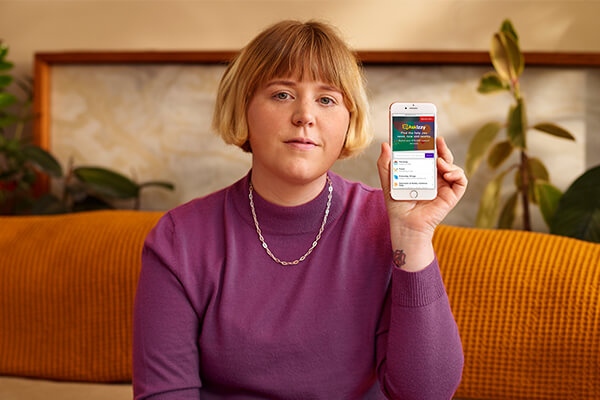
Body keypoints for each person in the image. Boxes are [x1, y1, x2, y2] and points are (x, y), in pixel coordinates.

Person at [133, 20, 466, 400]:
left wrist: (413, 237)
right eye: (281, 95)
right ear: (244, 109)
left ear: (349, 121)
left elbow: (426, 393)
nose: (305, 115)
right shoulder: (180, 237)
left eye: (326, 100)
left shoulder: (385, 224)